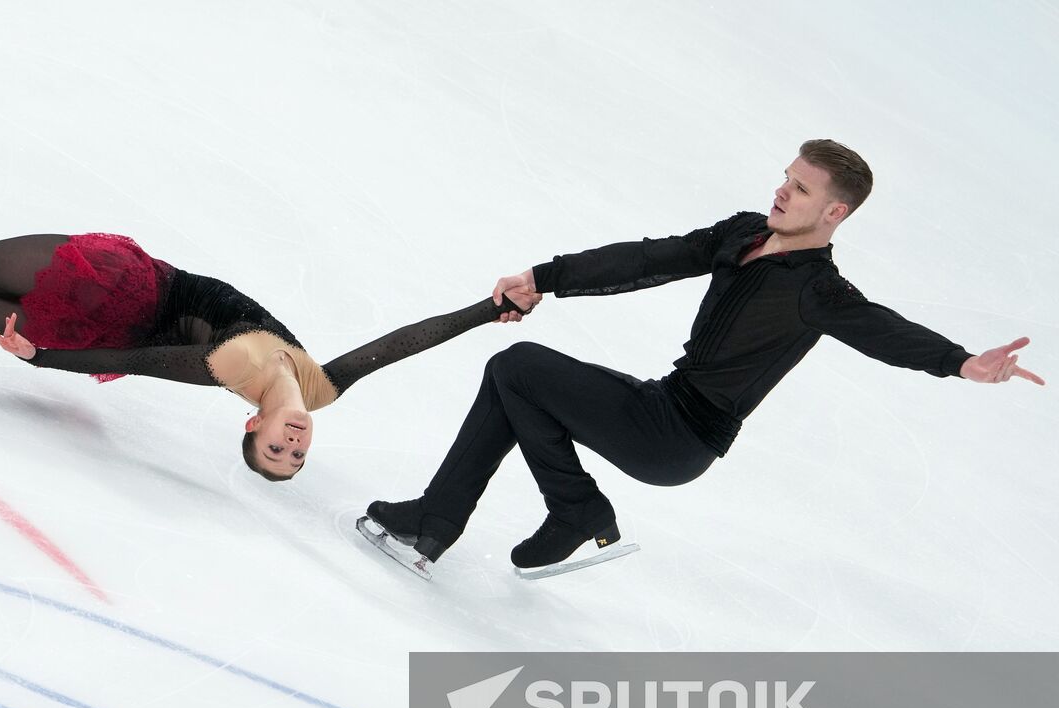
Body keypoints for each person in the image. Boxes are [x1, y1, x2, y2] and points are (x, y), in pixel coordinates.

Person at [365, 139, 1045, 570]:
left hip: (679, 439)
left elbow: (883, 329)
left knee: (518, 369)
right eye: (786, 177)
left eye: (801, 189)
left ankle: (522, 514)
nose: (782, 191)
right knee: (519, 384)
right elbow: (652, 258)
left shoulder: (818, 291)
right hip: (659, 402)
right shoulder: (743, 233)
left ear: (834, 214)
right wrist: (547, 276)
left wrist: (961, 362)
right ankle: (508, 518)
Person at [0, 232, 531, 480]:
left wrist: (41, 361)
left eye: (274, 452)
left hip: (124, 293)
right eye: (296, 453)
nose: (293, 442)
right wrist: (484, 312)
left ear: (249, 425)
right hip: (114, 317)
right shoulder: (319, 389)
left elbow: (144, 364)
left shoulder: (229, 370)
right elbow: (399, 346)